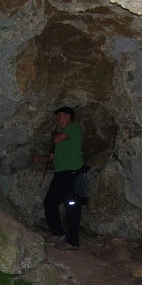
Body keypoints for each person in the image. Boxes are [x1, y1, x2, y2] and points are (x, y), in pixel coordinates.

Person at [33, 106, 84, 251]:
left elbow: (56, 138)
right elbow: (51, 158)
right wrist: (39, 159)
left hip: (73, 173)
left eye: (60, 115)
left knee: (72, 207)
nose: (57, 118)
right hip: (61, 174)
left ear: (68, 116)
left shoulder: (73, 128)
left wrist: (54, 133)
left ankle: (73, 241)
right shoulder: (62, 136)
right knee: (50, 202)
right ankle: (58, 233)